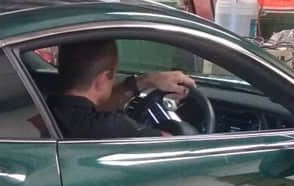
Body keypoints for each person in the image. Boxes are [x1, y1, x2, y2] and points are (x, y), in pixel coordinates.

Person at [45, 39, 195, 140]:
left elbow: (97, 103)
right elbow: (173, 144)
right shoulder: (113, 127)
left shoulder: (46, 106)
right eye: (114, 75)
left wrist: (148, 80)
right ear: (104, 77)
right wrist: (183, 130)